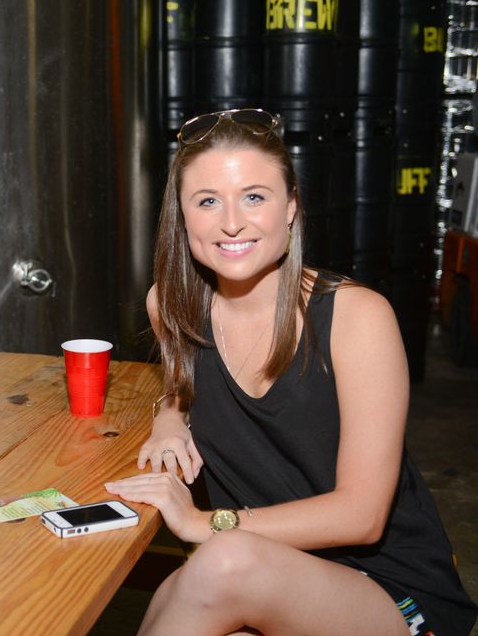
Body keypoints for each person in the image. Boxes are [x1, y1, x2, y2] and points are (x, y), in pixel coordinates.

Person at [105, 109, 477, 635]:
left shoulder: (356, 318)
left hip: (390, 594)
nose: (231, 222)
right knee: (190, 588)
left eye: (254, 197)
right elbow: (181, 385)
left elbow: (363, 516)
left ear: (291, 208)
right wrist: (169, 415)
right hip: (258, 574)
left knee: (218, 565)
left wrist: (203, 523)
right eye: (207, 201)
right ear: (181, 217)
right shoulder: (171, 307)